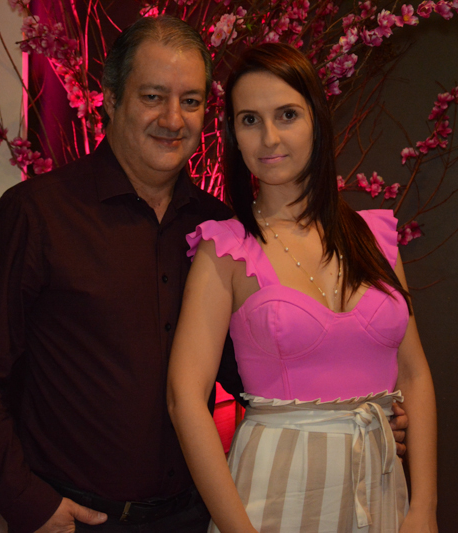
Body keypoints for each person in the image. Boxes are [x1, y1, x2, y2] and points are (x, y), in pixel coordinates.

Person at [0, 16, 241, 533]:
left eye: (190, 101)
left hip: (193, 516)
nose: (173, 119)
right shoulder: (35, 215)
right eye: (153, 96)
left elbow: (252, 369)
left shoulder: (220, 229)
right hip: (73, 519)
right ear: (111, 98)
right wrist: (26, 502)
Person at [167, 43, 437, 533]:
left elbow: (415, 375)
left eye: (287, 114)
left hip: (380, 490)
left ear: (316, 119)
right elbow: (185, 397)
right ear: (233, 135)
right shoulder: (225, 248)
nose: (269, 137)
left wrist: (424, 508)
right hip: (272, 494)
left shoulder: (375, 236)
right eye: (250, 120)